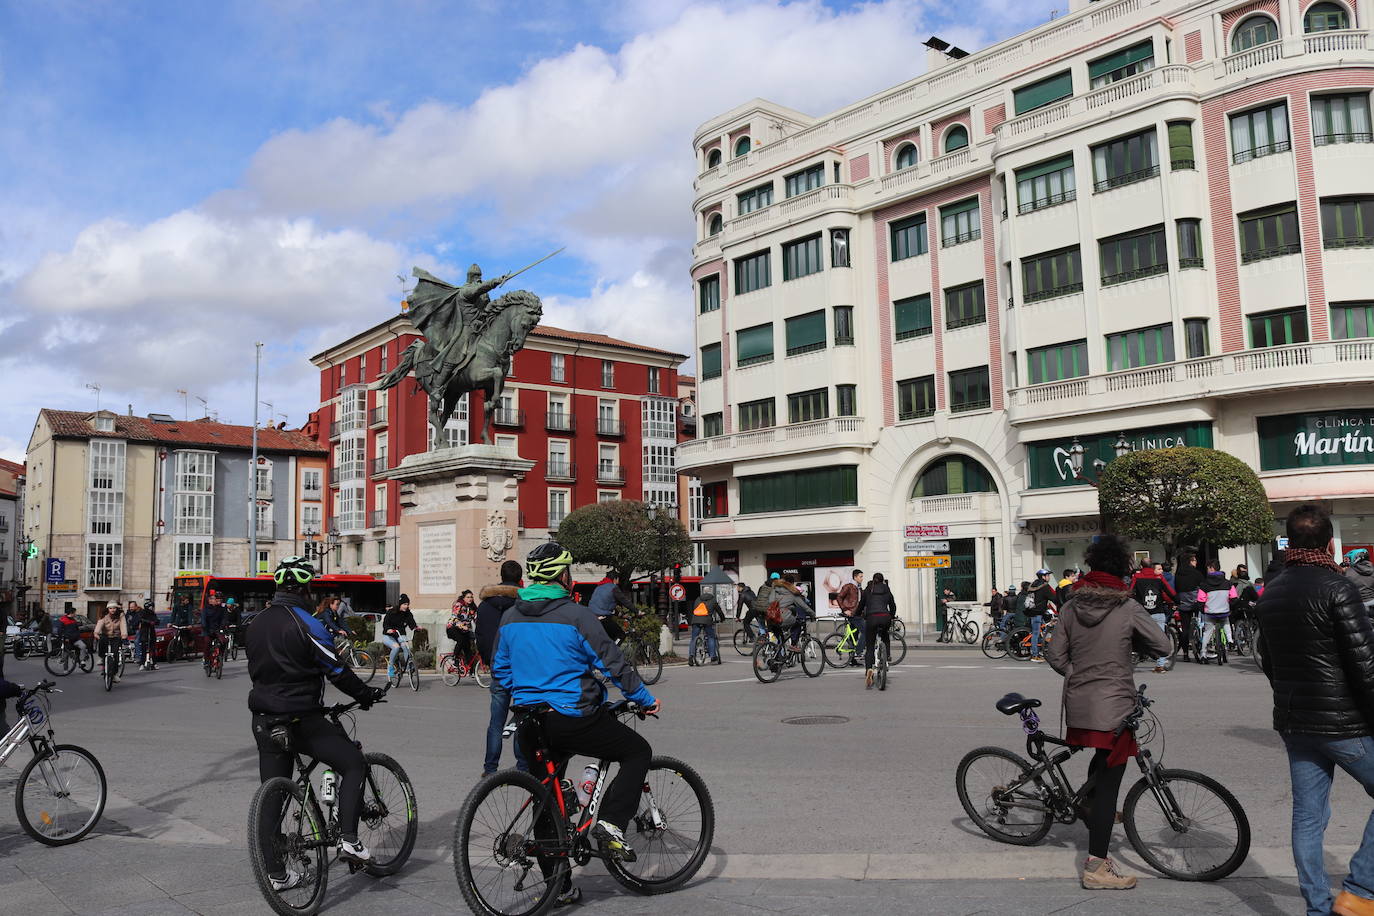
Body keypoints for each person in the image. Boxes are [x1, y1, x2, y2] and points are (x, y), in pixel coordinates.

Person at [492, 541, 658, 871]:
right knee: (637, 751)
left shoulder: (510, 618)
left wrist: (528, 694)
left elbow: (500, 671)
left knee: (546, 799)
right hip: (572, 717)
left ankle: (560, 886)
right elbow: (613, 663)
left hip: (530, 721)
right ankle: (611, 823)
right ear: (562, 576)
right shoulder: (577, 615)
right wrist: (646, 699)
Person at [1257, 504, 1374, 916]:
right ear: (1328, 541)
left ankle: (1318, 907)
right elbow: (1365, 663)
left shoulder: (1272, 590)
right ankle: (1359, 890)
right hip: (1343, 721)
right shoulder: (1337, 588)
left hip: (1295, 719)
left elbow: (1267, 659)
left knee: (1308, 816)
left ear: (1290, 541)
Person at [247, 557, 387, 885]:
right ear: (305, 588)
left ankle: (277, 874)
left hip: (264, 719)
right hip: (300, 717)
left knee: (272, 794)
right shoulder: (306, 623)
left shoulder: (256, 622)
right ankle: (350, 840)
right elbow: (335, 669)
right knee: (353, 763)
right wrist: (365, 694)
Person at [1045, 534, 1171, 891]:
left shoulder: (1070, 606)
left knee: (1101, 766)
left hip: (1080, 703)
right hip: (1115, 706)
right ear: (1122, 571)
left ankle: (1085, 805)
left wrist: (1077, 676)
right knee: (1110, 786)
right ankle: (1096, 867)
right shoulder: (1127, 608)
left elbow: (1056, 656)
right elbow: (1163, 645)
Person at [475, 561, 529, 776]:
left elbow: (481, 636)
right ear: (520, 578)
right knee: (522, 719)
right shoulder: (524, 605)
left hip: (498, 668)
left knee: (496, 722)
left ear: (500, 574)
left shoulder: (485, 605)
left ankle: (490, 768)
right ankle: (522, 766)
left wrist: (489, 660)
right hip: (522, 669)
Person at [1130, 558, 1176, 674]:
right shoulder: (1159, 578)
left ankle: (1137, 654)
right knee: (1160, 638)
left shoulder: (1137, 577)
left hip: (1142, 613)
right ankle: (1160, 665)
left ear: (1141, 566)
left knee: (1138, 634)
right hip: (1158, 611)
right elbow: (1170, 591)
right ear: (1151, 567)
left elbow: (1130, 591)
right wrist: (1177, 601)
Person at [858, 572, 897, 689]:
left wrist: (857, 614)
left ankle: (869, 669)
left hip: (871, 618)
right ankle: (887, 656)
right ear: (883, 580)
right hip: (885, 617)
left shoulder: (868, 589)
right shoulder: (886, 589)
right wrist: (892, 615)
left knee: (870, 646)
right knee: (885, 636)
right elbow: (893, 605)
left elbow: (861, 605)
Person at [1196, 560, 1236, 660]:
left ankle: (1203, 653)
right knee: (1226, 622)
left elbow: (1200, 600)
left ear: (1211, 568)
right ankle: (1230, 640)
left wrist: (1203, 610)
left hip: (1210, 613)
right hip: (1224, 611)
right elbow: (1234, 598)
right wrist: (1229, 606)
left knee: (1207, 632)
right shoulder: (1228, 583)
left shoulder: (1204, 584)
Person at [1173, 550, 1205, 662]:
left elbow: (1176, 589)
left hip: (1183, 602)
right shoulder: (1196, 573)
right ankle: (1201, 647)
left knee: (1185, 628)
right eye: (1194, 560)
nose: (1196, 562)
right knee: (1201, 624)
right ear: (1190, 561)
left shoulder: (1178, 574)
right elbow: (1203, 586)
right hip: (1195, 602)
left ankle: (1185, 653)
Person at [588, 576, 635, 643]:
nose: (618, 582)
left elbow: (606, 606)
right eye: (618, 579)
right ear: (615, 579)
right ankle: (613, 652)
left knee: (608, 638)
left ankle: (606, 651)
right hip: (602, 618)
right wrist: (637, 611)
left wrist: (621, 615)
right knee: (621, 635)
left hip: (591, 618)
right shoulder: (612, 587)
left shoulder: (599, 587)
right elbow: (624, 601)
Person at [773, 574, 813, 650]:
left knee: (780, 639)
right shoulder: (792, 592)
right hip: (781, 618)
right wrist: (812, 614)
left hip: (770, 617)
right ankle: (793, 645)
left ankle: (777, 657)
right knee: (797, 625)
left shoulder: (775, 589)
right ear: (792, 583)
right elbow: (803, 606)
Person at [381, 595, 418, 679]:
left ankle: (409, 666)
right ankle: (390, 667)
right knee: (396, 647)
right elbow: (385, 623)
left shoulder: (408, 613)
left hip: (400, 634)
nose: (406, 606)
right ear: (400, 604)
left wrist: (416, 627)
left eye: (407, 604)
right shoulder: (391, 612)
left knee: (406, 647)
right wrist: (388, 629)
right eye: (404, 604)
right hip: (388, 635)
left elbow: (411, 623)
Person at [92, 602, 127, 683]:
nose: (112, 610)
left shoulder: (121, 615)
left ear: (117, 608)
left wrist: (124, 634)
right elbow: (99, 624)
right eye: (110, 608)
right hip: (105, 635)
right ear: (108, 609)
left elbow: (123, 624)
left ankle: (114, 674)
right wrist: (96, 633)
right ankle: (101, 657)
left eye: (114, 608)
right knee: (101, 641)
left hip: (116, 636)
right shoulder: (104, 615)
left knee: (115, 655)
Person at [687, 590, 723, 665]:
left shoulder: (698, 599)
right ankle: (713, 656)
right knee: (711, 637)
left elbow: (694, 609)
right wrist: (722, 618)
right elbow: (718, 610)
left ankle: (691, 655)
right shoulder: (713, 600)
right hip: (707, 620)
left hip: (696, 620)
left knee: (694, 638)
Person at [1029, 570, 1057, 661]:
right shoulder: (1044, 586)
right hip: (1038, 613)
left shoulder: (1033, 585)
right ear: (1043, 577)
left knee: (1041, 631)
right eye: (1048, 575)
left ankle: (1040, 651)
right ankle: (1035, 655)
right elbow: (1053, 598)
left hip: (1033, 612)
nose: (1049, 577)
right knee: (1036, 633)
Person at [838, 570, 865, 664]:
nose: (862, 578)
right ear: (855, 577)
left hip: (858, 614)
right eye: (860, 576)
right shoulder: (849, 586)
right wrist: (845, 609)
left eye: (862, 576)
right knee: (866, 631)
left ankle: (852, 660)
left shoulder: (859, 588)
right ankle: (858, 652)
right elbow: (839, 597)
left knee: (854, 636)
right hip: (852, 614)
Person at [446, 596, 477, 663]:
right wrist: (462, 626)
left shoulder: (472, 608)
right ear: (464, 598)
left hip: (465, 631)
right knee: (461, 640)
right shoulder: (459, 605)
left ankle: (471, 670)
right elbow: (454, 617)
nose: (470, 599)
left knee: (468, 649)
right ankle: (455, 659)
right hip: (452, 628)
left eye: (471, 597)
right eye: (468, 597)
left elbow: (476, 619)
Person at [202, 592, 227, 672]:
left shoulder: (220, 608)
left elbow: (223, 618)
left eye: (216, 599)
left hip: (217, 630)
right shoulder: (205, 609)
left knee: (224, 641)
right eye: (213, 599)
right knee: (207, 643)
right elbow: (203, 620)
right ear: (209, 601)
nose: (216, 600)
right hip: (208, 630)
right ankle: (206, 661)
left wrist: (222, 626)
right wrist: (205, 627)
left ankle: (220, 656)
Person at [137, 600, 160, 670]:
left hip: (151, 632)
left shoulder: (153, 613)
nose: (152, 608)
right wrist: (148, 622)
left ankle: (154, 663)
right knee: (144, 648)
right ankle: (142, 664)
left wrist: (155, 622)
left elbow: (157, 620)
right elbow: (140, 619)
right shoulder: (142, 612)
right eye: (151, 607)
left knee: (152, 648)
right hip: (144, 632)